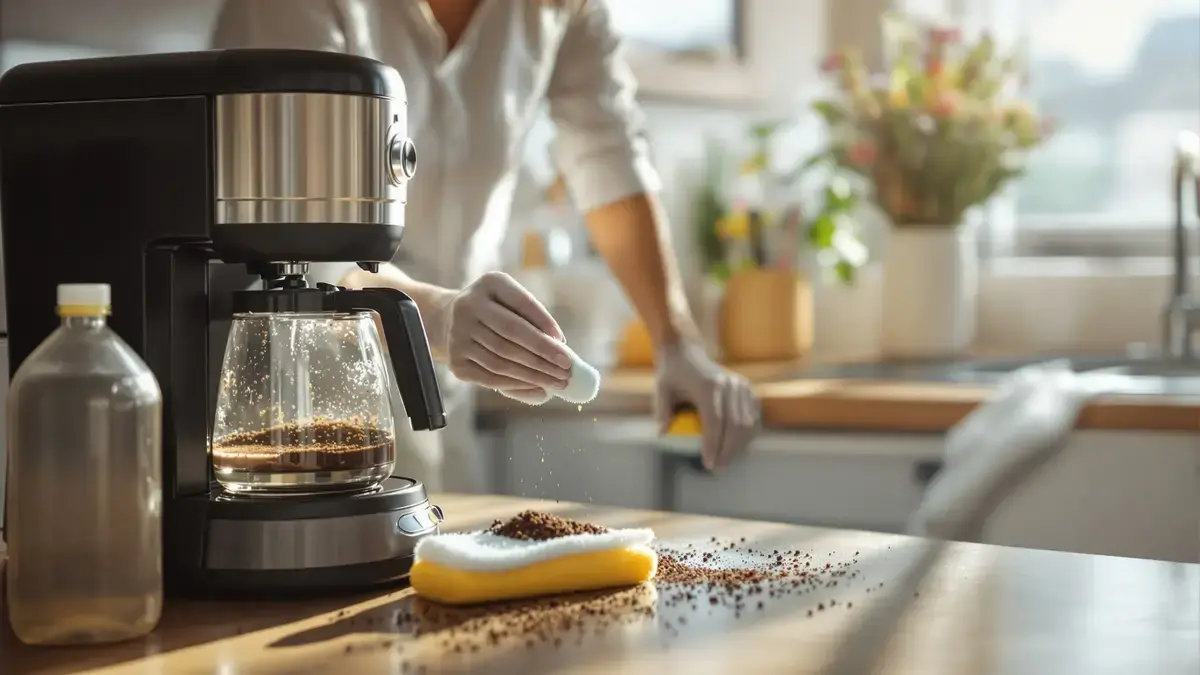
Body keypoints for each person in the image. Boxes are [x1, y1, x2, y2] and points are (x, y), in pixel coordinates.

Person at [211, 0, 761, 493]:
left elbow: (609, 155)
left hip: (447, 387)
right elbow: (301, 236)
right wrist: (433, 314)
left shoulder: (561, 9)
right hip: (298, 403)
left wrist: (676, 342)